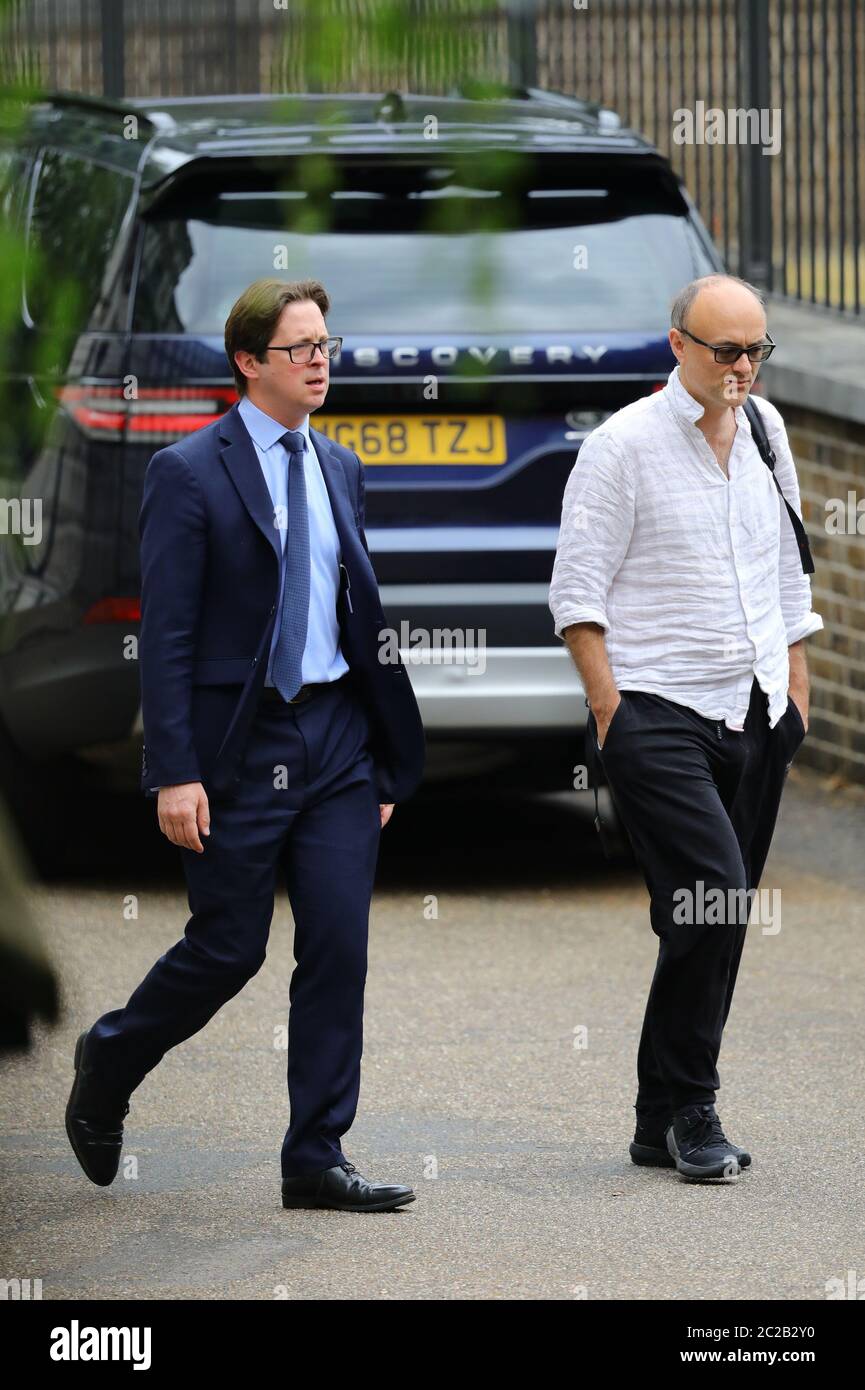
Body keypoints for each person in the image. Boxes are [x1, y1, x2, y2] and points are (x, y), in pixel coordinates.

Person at [66, 278, 425, 1212]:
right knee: (229, 950)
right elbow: (170, 637)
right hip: (240, 742)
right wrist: (174, 770)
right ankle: (110, 1057)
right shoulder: (189, 473)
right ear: (248, 363)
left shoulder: (339, 466)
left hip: (338, 735)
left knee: (339, 944)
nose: (319, 361)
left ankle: (315, 1156)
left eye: (324, 344)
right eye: (300, 348)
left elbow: (356, 615)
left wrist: (385, 753)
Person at [549, 274, 822, 1182]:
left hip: (755, 708)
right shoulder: (621, 447)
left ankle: (653, 1116)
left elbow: (787, 562)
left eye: (755, 351)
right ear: (678, 346)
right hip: (656, 709)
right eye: (724, 351)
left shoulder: (765, 430)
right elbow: (576, 594)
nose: (742, 368)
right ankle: (694, 1109)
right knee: (713, 890)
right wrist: (609, 712)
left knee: (714, 913)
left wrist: (794, 679)